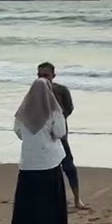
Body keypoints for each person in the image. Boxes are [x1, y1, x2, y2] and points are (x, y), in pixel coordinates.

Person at [11, 78, 69, 224]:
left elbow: (18, 132)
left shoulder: (23, 112)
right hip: (49, 160)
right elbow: (60, 132)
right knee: (49, 198)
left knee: (30, 197)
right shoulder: (54, 111)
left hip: (29, 160)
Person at [37, 62, 89, 210]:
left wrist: (57, 120)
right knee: (44, 168)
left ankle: (77, 199)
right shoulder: (35, 92)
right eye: (40, 75)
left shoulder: (61, 90)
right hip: (42, 135)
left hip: (60, 135)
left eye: (46, 75)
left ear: (53, 75)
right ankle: (46, 199)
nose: (43, 78)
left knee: (68, 166)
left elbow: (69, 108)